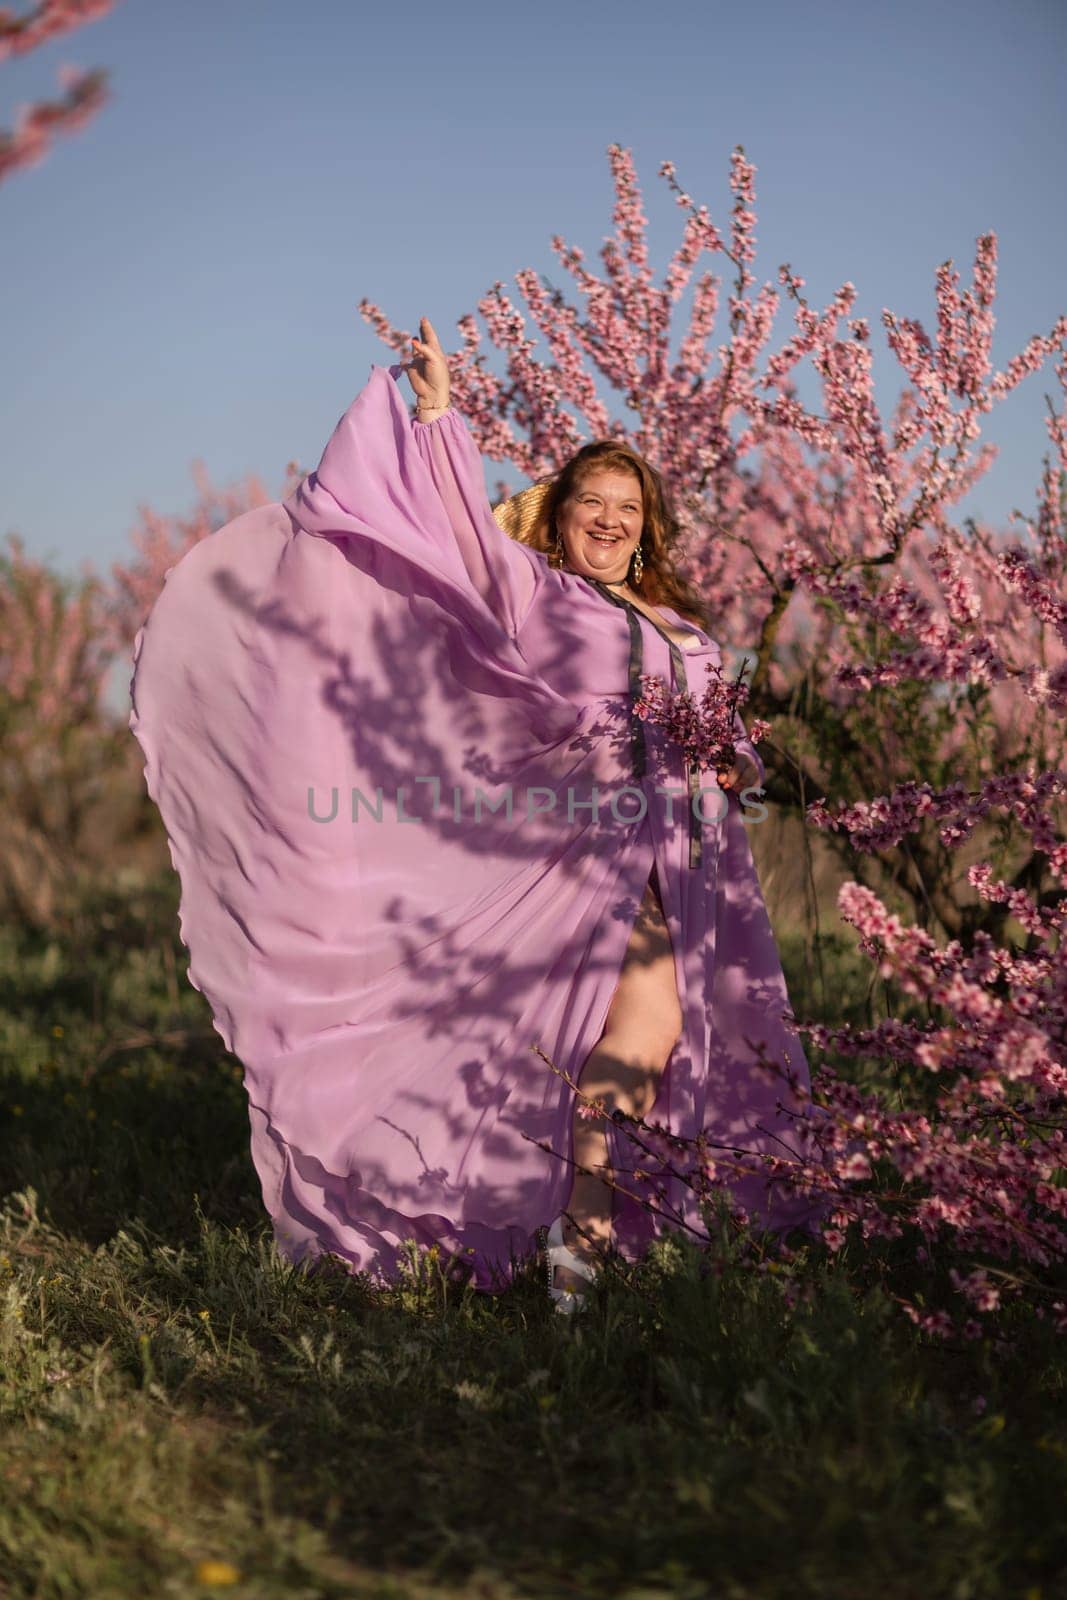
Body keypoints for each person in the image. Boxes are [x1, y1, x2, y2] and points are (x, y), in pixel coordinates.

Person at [129, 315, 822, 1315]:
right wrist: (441, 413)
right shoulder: (540, 594)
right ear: (561, 515)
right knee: (592, 1053)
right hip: (577, 863)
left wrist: (729, 757)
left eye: (628, 506)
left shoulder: (687, 632)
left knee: (657, 1047)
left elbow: (725, 741)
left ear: (649, 524)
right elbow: (459, 538)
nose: (611, 518)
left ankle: (590, 1255)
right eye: (593, 501)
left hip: (691, 859)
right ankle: (573, 1268)